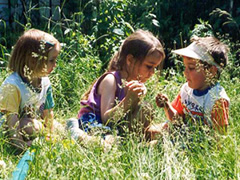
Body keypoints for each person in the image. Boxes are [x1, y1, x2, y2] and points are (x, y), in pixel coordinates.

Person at [67, 29, 165, 144]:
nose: (152, 72)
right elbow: (106, 119)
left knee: (146, 108)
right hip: (95, 125)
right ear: (130, 60)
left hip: (115, 129)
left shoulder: (133, 82)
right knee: (107, 142)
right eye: (149, 66)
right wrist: (129, 99)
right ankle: (76, 132)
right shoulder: (111, 80)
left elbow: (129, 118)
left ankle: (128, 143)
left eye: (155, 67)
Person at [155, 36, 230, 134]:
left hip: (199, 143)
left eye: (191, 68)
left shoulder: (217, 99)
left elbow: (220, 136)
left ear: (211, 71)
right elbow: (177, 121)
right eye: (185, 67)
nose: (185, 73)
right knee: (150, 131)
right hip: (181, 134)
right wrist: (167, 106)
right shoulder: (186, 90)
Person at [0, 29, 61, 149]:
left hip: (35, 125)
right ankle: (35, 141)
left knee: (59, 127)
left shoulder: (45, 82)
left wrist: (50, 134)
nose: (55, 65)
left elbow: (48, 114)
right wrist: (21, 145)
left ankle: (75, 131)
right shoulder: (13, 86)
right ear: (33, 60)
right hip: (11, 131)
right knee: (30, 125)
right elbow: (11, 124)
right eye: (51, 60)